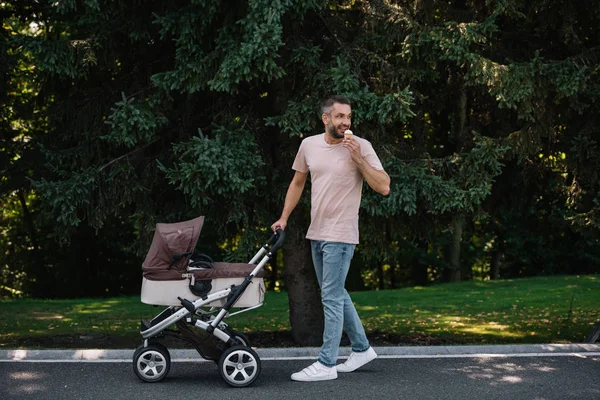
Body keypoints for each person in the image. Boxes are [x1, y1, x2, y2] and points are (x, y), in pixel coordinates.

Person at [271, 95, 391, 382]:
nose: (345, 122)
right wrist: (284, 217)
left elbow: (384, 187)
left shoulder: (361, 146)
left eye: (348, 117)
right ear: (326, 119)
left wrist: (358, 157)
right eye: (339, 117)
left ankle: (326, 363)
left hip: (341, 234)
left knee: (332, 298)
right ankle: (361, 348)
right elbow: (298, 182)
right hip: (317, 232)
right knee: (337, 294)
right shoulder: (308, 145)